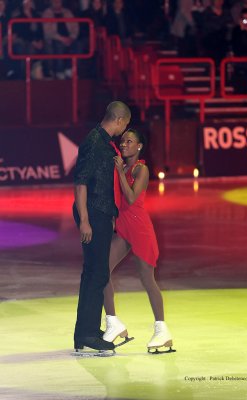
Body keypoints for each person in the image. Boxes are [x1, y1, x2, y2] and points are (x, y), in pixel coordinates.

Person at [103, 128, 174, 353]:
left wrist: (119, 172)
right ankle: (113, 323)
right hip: (124, 228)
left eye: (129, 141)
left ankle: (162, 331)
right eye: (123, 141)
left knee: (147, 280)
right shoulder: (122, 167)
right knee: (101, 271)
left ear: (139, 146)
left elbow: (132, 197)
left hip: (140, 229)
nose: (124, 144)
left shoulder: (141, 169)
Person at [73, 101, 131, 352]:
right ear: (119, 121)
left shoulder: (102, 140)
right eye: (125, 125)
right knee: (97, 273)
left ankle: (84, 331)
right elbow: (81, 183)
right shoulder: (95, 142)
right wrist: (85, 220)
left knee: (94, 272)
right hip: (93, 215)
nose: (124, 129)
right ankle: (87, 333)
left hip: (100, 214)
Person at [42, 0, 79, 79]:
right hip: (55, 38)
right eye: (55, 2)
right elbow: (48, 31)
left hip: (69, 37)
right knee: (58, 45)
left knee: (78, 45)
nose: (57, 3)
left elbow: (75, 26)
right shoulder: (47, 13)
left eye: (58, 2)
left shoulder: (67, 12)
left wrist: (72, 37)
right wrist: (62, 39)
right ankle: (59, 71)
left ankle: (70, 69)